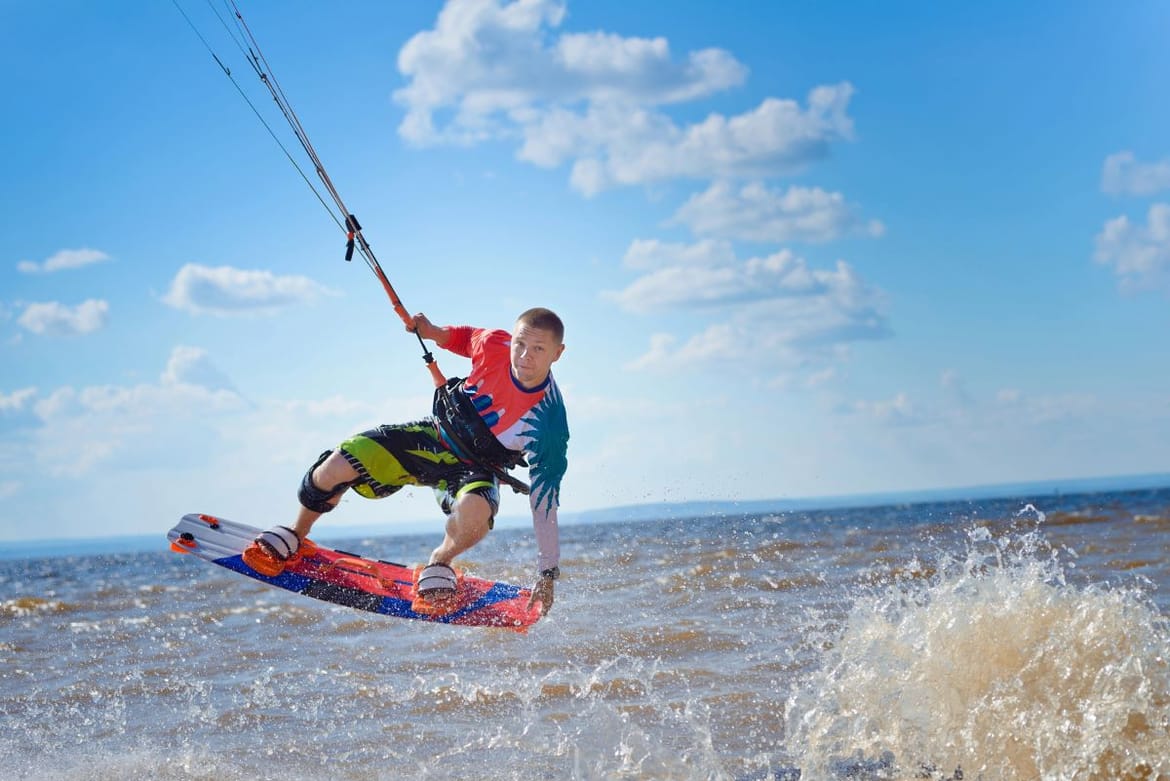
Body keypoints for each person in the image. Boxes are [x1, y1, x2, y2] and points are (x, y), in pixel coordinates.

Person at [242, 307, 569, 616]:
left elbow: (544, 500)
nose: (524, 356)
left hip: (475, 469)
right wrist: (433, 332)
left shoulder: (550, 423)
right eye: (520, 344)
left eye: (538, 349)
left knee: (475, 515)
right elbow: (468, 339)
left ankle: (440, 561)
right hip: (434, 437)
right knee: (337, 464)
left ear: (557, 353)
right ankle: (297, 534)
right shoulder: (496, 344)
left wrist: (548, 573)